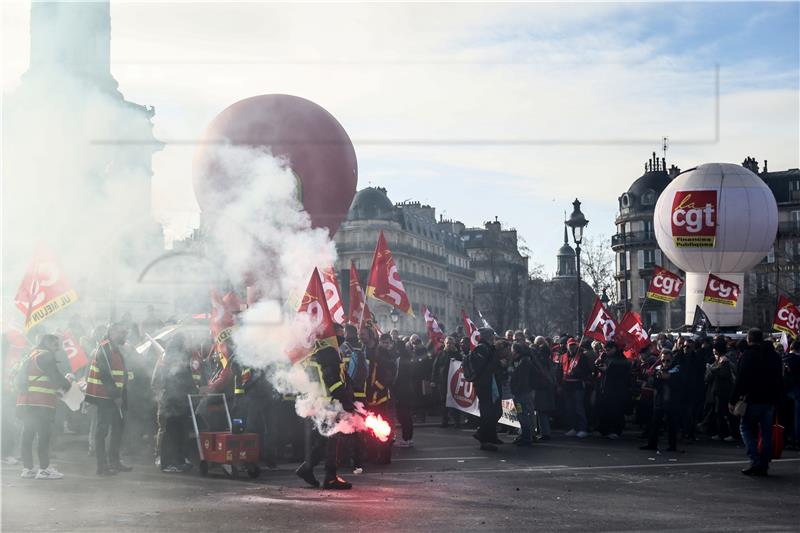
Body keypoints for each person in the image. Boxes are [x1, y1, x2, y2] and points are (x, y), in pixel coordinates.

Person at [295, 344, 356, 490]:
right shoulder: (328, 353)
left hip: (319, 404)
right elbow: (333, 381)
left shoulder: (313, 356)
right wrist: (346, 402)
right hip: (329, 405)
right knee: (334, 441)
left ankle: (307, 468)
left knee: (325, 439)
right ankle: (330, 477)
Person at [16, 334, 73, 479]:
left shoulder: (32, 354)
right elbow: (56, 378)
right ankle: (44, 469)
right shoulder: (46, 356)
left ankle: (28, 469)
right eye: (55, 344)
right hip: (41, 403)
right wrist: (68, 382)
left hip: (26, 401)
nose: (58, 347)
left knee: (27, 435)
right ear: (47, 342)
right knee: (44, 435)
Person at [729, 328, 784, 476]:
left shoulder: (748, 355)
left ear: (749, 339)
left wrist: (733, 399)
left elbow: (741, 380)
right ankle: (764, 463)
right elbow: (780, 379)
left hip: (753, 398)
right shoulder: (775, 356)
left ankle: (755, 460)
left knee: (745, 427)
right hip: (770, 400)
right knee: (766, 432)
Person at [85, 323, 133, 475]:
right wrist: (116, 396)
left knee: (118, 428)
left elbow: (121, 374)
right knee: (102, 430)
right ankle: (102, 466)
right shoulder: (104, 347)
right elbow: (105, 373)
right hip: (105, 396)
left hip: (114, 397)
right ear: (112, 332)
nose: (125, 336)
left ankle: (114, 461)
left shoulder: (115, 348)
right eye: (122, 333)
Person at [151, 334, 197, 472]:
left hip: (180, 401)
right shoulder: (169, 359)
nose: (189, 343)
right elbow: (158, 381)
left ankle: (179, 461)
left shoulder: (180, 358)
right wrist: (163, 397)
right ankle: (167, 463)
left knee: (179, 432)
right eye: (187, 341)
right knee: (169, 433)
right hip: (171, 402)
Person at [641, 349, 682, 452]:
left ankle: (672, 446)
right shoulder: (658, 368)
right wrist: (656, 378)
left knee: (671, 425)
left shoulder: (676, 369)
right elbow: (654, 385)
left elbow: (681, 384)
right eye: (663, 360)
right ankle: (652, 444)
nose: (665, 363)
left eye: (668, 361)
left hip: (672, 401)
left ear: (672, 360)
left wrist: (669, 378)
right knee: (655, 423)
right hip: (659, 400)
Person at [472, 328, 502, 451]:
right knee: (487, 412)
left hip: (490, 384)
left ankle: (491, 436)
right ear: (488, 337)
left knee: (495, 411)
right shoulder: (481, 348)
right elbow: (483, 368)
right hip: (484, 385)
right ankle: (484, 439)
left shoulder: (488, 348)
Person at [702, 339, 738, 442]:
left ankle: (727, 433)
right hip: (718, 391)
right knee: (720, 413)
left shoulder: (724, 360)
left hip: (723, 391)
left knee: (723, 413)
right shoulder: (718, 360)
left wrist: (712, 370)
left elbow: (724, 374)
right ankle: (722, 433)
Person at [595, 341, 631, 439]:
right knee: (605, 410)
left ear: (614, 348)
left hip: (617, 390)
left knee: (616, 411)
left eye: (608, 350)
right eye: (606, 350)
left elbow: (622, 374)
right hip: (605, 388)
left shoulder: (621, 358)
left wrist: (608, 370)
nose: (607, 352)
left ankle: (616, 430)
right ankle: (604, 429)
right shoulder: (605, 357)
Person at [560, 338, 592, 438]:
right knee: (570, 408)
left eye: (574, 345)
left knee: (579, 408)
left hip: (578, 385)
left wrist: (576, 372)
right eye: (570, 345)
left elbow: (587, 371)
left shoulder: (582, 357)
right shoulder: (563, 357)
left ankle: (583, 428)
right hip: (567, 385)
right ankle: (573, 428)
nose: (572, 347)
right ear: (567, 346)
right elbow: (560, 370)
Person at [431, 336, 462, 428]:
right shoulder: (441, 354)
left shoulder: (457, 355)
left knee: (455, 402)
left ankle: (457, 422)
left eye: (451, 343)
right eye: (447, 343)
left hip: (453, 382)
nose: (449, 345)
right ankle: (444, 421)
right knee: (443, 401)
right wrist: (433, 380)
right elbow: (435, 367)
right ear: (445, 343)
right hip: (443, 382)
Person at [509, 342, 535, 447]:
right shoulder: (522, 361)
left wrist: (516, 390)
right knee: (522, 415)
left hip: (522, 394)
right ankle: (525, 435)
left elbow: (522, 380)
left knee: (523, 415)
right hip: (521, 393)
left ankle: (527, 437)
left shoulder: (524, 362)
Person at [531, 336, 556, 440]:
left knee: (541, 411)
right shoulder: (549, 360)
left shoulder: (541, 361)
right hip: (547, 387)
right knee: (542, 411)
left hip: (542, 388)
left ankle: (545, 433)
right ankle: (545, 432)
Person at [784, 340, 800, 450]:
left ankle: (787, 438)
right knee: (797, 417)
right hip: (797, 389)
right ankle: (797, 439)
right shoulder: (798, 359)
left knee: (787, 415)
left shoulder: (784, 358)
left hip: (785, 390)